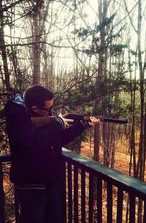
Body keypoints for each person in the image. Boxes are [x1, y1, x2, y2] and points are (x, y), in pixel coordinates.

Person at [5, 85, 100, 223]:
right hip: (30, 186)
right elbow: (36, 140)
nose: (51, 111)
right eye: (48, 108)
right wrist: (57, 123)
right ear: (35, 109)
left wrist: (82, 125)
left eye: (52, 106)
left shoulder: (42, 118)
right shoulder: (19, 121)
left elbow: (57, 139)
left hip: (48, 183)